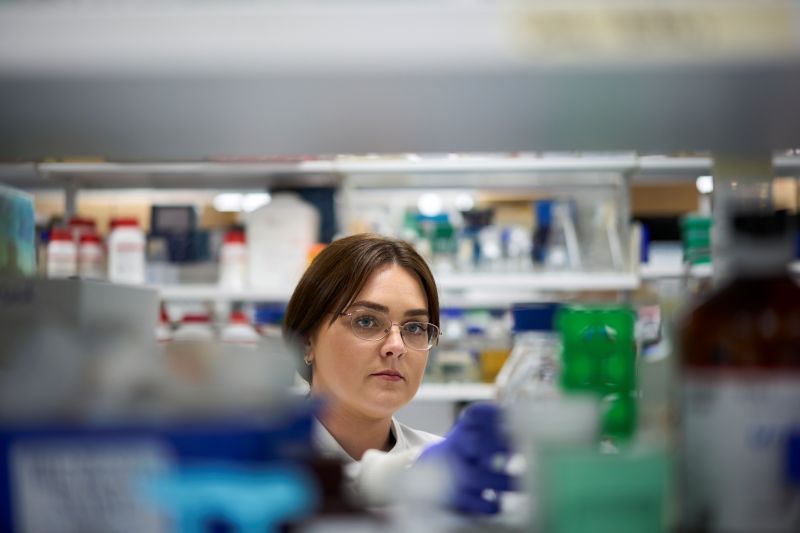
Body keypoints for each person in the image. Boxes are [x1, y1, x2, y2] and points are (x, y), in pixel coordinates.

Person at [283, 233, 512, 514]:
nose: (396, 346)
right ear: (307, 341)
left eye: (415, 327)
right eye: (366, 321)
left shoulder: (447, 469)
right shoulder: (256, 467)